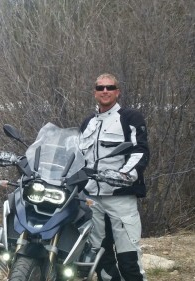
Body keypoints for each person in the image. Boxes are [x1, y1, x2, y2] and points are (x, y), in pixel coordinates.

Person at [79, 73, 149, 281]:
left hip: (120, 196)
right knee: (99, 256)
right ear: (95, 92)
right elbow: (77, 156)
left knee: (129, 257)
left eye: (110, 87)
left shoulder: (130, 117)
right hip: (92, 198)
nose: (105, 91)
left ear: (117, 92)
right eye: (100, 88)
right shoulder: (87, 123)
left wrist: (122, 175)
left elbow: (140, 151)